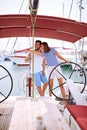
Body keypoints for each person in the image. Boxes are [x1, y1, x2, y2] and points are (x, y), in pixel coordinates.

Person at [40, 42, 69, 107]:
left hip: (57, 67)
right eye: (41, 47)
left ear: (45, 46)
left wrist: (65, 60)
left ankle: (65, 102)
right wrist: (43, 70)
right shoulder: (43, 53)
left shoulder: (52, 50)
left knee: (61, 85)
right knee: (50, 86)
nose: (41, 48)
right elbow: (44, 62)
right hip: (49, 69)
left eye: (42, 46)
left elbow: (58, 56)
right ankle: (50, 100)